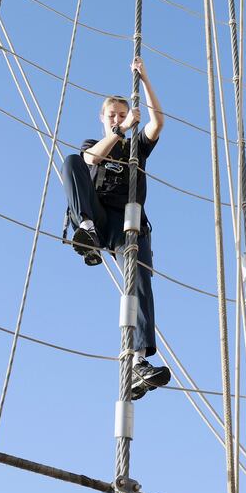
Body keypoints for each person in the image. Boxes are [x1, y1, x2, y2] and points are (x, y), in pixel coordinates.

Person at [62, 57, 171, 400]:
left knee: (139, 279)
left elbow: (158, 122)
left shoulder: (135, 147)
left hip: (129, 221)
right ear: (103, 117)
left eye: (122, 115)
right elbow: (92, 160)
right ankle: (87, 231)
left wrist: (145, 78)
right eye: (112, 114)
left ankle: (139, 362)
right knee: (71, 162)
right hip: (100, 216)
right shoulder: (96, 144)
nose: (117, 119)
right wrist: (117, 132)